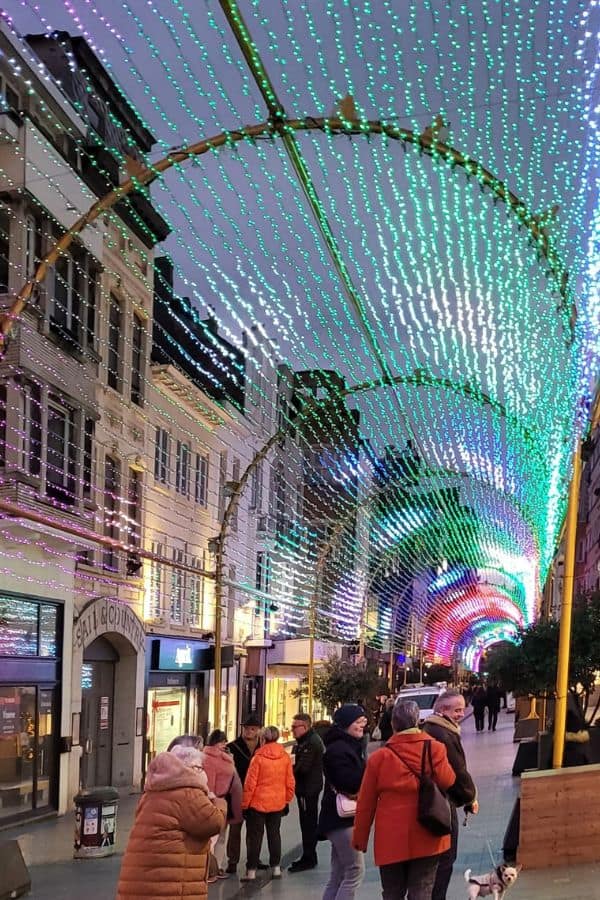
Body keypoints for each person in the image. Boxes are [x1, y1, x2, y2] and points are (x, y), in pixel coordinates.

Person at [352, 699, 456, 899]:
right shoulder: (435, 748)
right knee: (422, 889)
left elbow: (366, 803)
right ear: (418, 721)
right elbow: (448, 780)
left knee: (392, 892)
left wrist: (360, 839)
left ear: (393, 724)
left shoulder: (379, 758)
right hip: (428, 831)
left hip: (390, 838)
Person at [116, 746, 225, 900]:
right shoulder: (188, 793)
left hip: (142, 882)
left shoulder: (153, 793)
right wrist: (219, 803)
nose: (204, 774)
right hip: (168, 886)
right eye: (200, 768)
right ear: (190, 769)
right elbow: (214, 822)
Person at [422, 691, 478, 900]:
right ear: (442, 710)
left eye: (462, 709)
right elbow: (457, 772)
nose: (461, 714)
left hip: (436, 801)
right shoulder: (443, 734)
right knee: (445, 858)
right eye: (456, 710)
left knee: (437, 861)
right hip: (442, 803)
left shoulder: (433, 729)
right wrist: (470, 797)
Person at [318, 704, 368, 900]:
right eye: (358, 722)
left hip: (340, 818)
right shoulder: (338, 750)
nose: (362, 725)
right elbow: (349, 782)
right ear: (346, 724)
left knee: (339, 875)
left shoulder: (348, 746)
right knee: (355, 871)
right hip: (340, 819)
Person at [241, 725, 295, 881]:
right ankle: (276, 869)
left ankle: (251, 871)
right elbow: (290, 781)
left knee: (255, 837)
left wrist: (245, 804)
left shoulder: (258, 758)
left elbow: (250, 784)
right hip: (277, 803)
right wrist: (286, 800)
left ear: (262, 739)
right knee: (274, 835)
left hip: (258, 803)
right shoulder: (284, 757)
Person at [202, 729, 243, 881]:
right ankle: (209, 869)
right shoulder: (209, 759)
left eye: (225, 742)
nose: (224, 744)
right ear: (214, 742)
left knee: (221, 837)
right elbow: (209, 785)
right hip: (215, 801)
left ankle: (217, 866)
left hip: (226, 801)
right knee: (213, 837)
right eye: (221, 742)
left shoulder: (226, 757)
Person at [289, 712, 325, 872]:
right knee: (306, 822)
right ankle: (308, 854)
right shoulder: (303, 742)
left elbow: (303, 768)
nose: (292, 730)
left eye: (295, 727)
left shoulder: (311, 742)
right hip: (306, 788)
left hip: (308, 789)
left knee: (308, 823)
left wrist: (289, 769)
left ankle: (309, 856)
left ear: (305, 726)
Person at [226, 714, 261, 874]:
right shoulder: (233, 747)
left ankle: (253, 859)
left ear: (258, 731)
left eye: (252, 729)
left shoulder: (262, 747)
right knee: (235, 829)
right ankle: (232, 861)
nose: (248, 731)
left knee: (254, 830)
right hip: (236, 793)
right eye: (246, 728)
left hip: (255, 794)